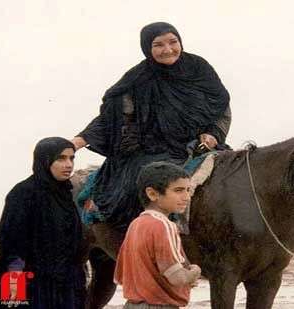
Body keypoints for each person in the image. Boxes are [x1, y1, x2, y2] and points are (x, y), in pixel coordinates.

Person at [71, 21, 232, 232]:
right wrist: (76, 142)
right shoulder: (138, 79)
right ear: (148, 47)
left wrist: (213, 133)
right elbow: (112, 118)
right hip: (152, 150)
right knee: (140, 186)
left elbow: (220, 106)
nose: (168, 50)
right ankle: (136, 238)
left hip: (198, 146)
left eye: (173, 42)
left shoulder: (199, 68)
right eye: (159, 45)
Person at [0, 137, 87, 308]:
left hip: (66, 282)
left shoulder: (65, 195)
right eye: (61, 158)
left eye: (71, 158)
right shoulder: (24, 193)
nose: (69, 164)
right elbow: (12, 241)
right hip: (33, 283)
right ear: (45, 160)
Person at [114, 162, 201, 309]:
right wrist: (194, 273)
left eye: (188, 190)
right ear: (152, 194)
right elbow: (177, 278)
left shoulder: (136, 224)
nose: (187, 197)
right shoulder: (164, 226)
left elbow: (121, 276)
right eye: (178, 190)